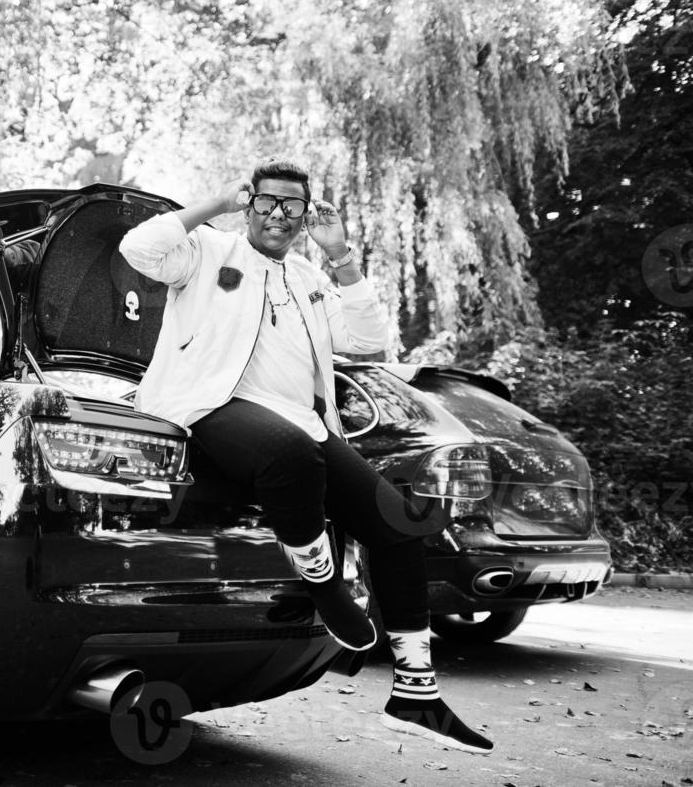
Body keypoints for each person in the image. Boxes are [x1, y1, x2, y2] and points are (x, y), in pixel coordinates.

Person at [118, 156, 493, 755]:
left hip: (307, 426)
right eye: (266, 202)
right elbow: (139, 249)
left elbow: (368, 342)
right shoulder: (209, 251)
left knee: (396, 522)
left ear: (305, 213)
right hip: (214, 405)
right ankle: (322, 586)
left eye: (292, 206)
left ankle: (416, 693)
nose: (278, 215)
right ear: (250, 204)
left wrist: (340, 255)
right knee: (289, 453)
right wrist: (215, 202)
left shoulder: (310, 278)